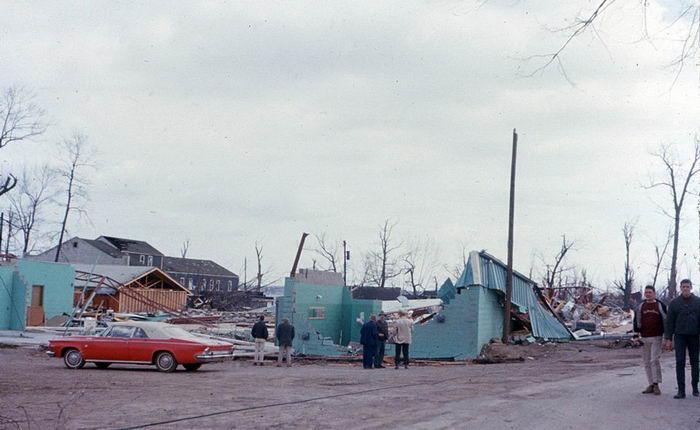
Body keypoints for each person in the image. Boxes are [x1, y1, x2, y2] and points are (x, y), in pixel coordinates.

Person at [664, 279, 700, 399]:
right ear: (680, 288)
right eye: (683, 286)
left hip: (694, 336)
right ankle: (681, 390)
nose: (685, 289)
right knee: (680, 362)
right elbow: (669, 322)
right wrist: (668, 338)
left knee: (695, 362)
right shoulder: (674, 303)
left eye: (687, 286)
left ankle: (695, 387)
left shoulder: (697, 302)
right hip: (679, 336)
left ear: (691, 287)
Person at [633, 285, 667, 395]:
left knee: (654, 360)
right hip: (644, 337)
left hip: (657, 336)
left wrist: (667, 337)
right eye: (646, 292)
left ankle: (657, 384)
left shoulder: (660, 305)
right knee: (646, 362)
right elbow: (636, 321)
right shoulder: (641, 306)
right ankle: (651, 384)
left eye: (650, 292)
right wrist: (636, 335)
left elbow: (666, 320)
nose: (648, 294)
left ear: (654, 293)